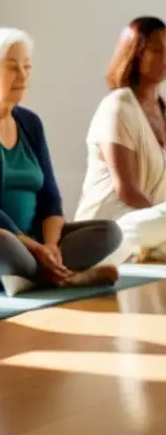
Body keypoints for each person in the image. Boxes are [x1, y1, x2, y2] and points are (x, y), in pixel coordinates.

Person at [0, 27, 122, 295]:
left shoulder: (30, 123)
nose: (24, 75)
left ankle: (32, 276)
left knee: (109, 232)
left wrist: (50, 246)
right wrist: (36, 249)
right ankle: (60, 276)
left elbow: (51, 200)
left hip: (30, 244)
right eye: (13, 67)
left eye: (27, 66)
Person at [75, 17, 166, 264]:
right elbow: (126, 190)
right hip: (113, 228)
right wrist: (157, 220)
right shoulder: (118, 106)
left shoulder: (161, 109)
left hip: (152, 226)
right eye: (157, 50)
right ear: (135, 54)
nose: (165, 57)